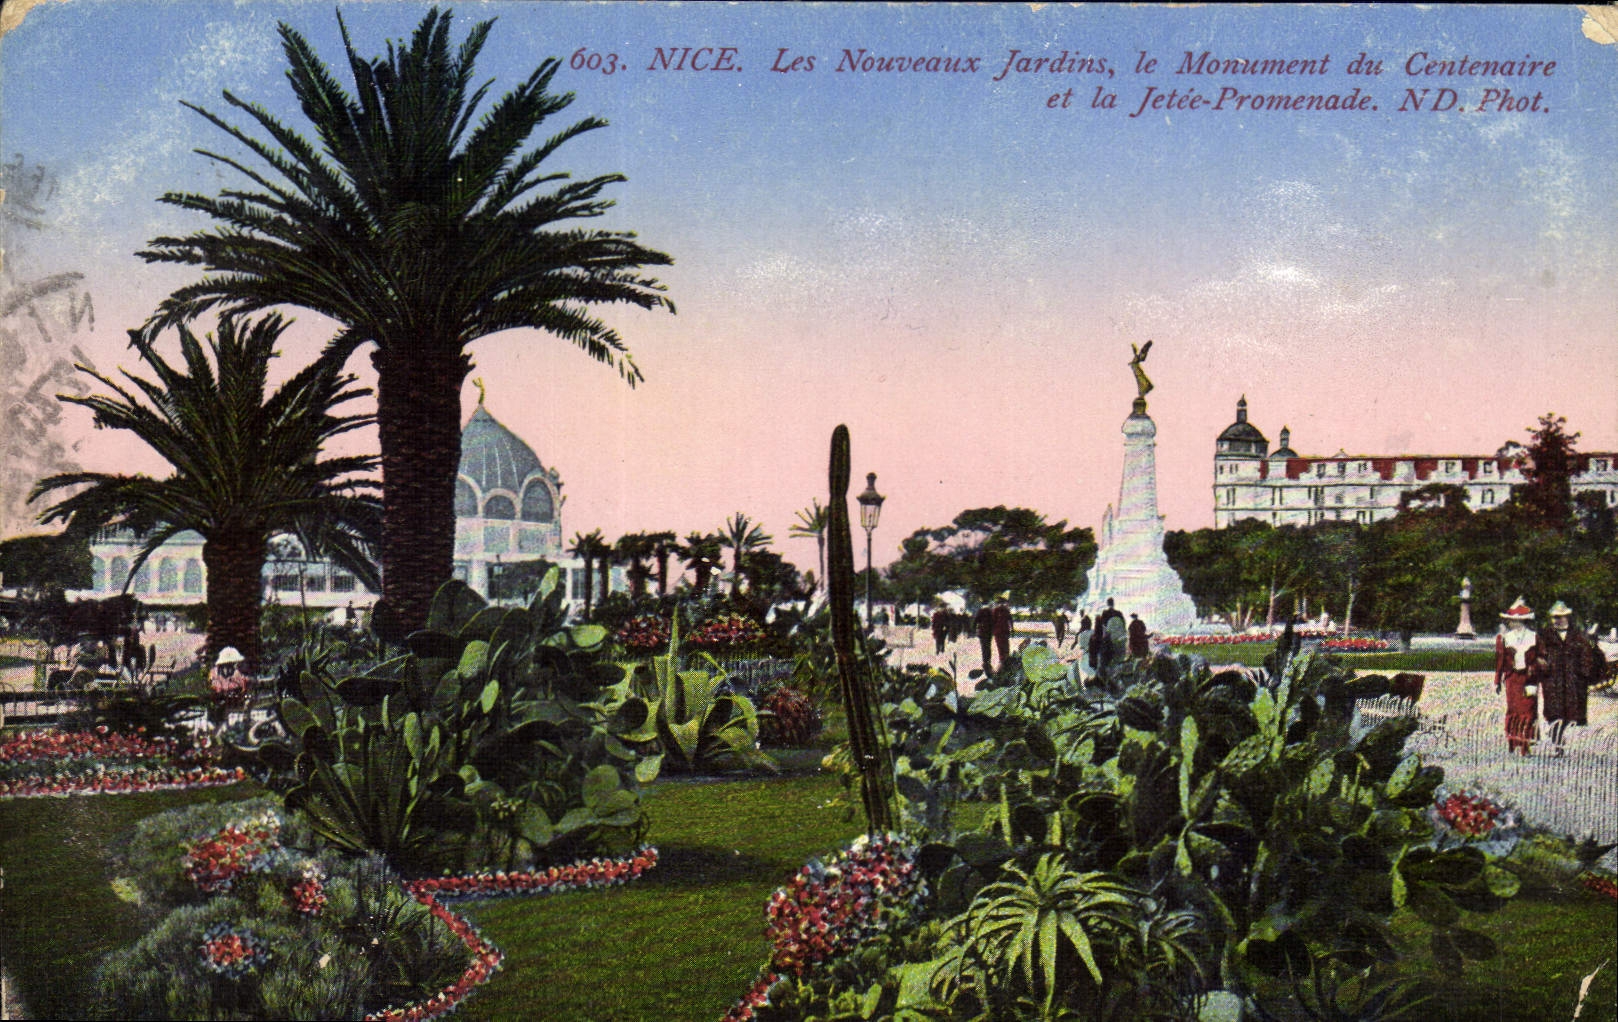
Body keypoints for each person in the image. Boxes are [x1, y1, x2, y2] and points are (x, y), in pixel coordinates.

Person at [1532, 600, 1606, 753]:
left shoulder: (1577, 635)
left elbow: (1589, 654)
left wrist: (1585, 674)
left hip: (1572, 679)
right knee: (1553, 710)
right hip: (1553, 679)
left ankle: (1560, 736)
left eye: (1560, 617)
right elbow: (1535, 653)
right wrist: (1540, 662)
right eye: (1555, 617)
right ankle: (1557, 739)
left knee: (1570, 712)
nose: (1557, 620)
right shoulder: (1545, 635)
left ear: (1567, 617)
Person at [1493, 598, 1539, 755]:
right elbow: (1500, 661)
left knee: (1528, 710)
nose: (1511, 623)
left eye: (1513, 620)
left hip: (1529, 679)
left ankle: (1526, 743)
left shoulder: (1534, 637)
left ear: (1522, 621)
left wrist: (1535, 668)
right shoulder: (1505, 638)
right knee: (1513, 709)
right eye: (1510, 620)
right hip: (1512, 680)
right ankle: (1513, 741)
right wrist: (1497, 681)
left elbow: (1542, 658)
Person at [974, 603, 996, 675]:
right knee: (988, 646)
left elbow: (976, 621)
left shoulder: (980, 611)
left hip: (982, 632)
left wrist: (974, 629)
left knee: (983, 646)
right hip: (989, 632)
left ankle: (985, 660)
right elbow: (993, 622)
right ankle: (988, 659)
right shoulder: (991, 612)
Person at [992, 597, 1013, 669]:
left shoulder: (996, 610)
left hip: (1000, 631)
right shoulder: (1004, 610)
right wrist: (1012, 629)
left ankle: (1003, 659)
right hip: (1002, 631)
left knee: (1001, 645)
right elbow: (1010, 620)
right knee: (1004, 645)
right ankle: (1004, 659)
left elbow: (993, 621)